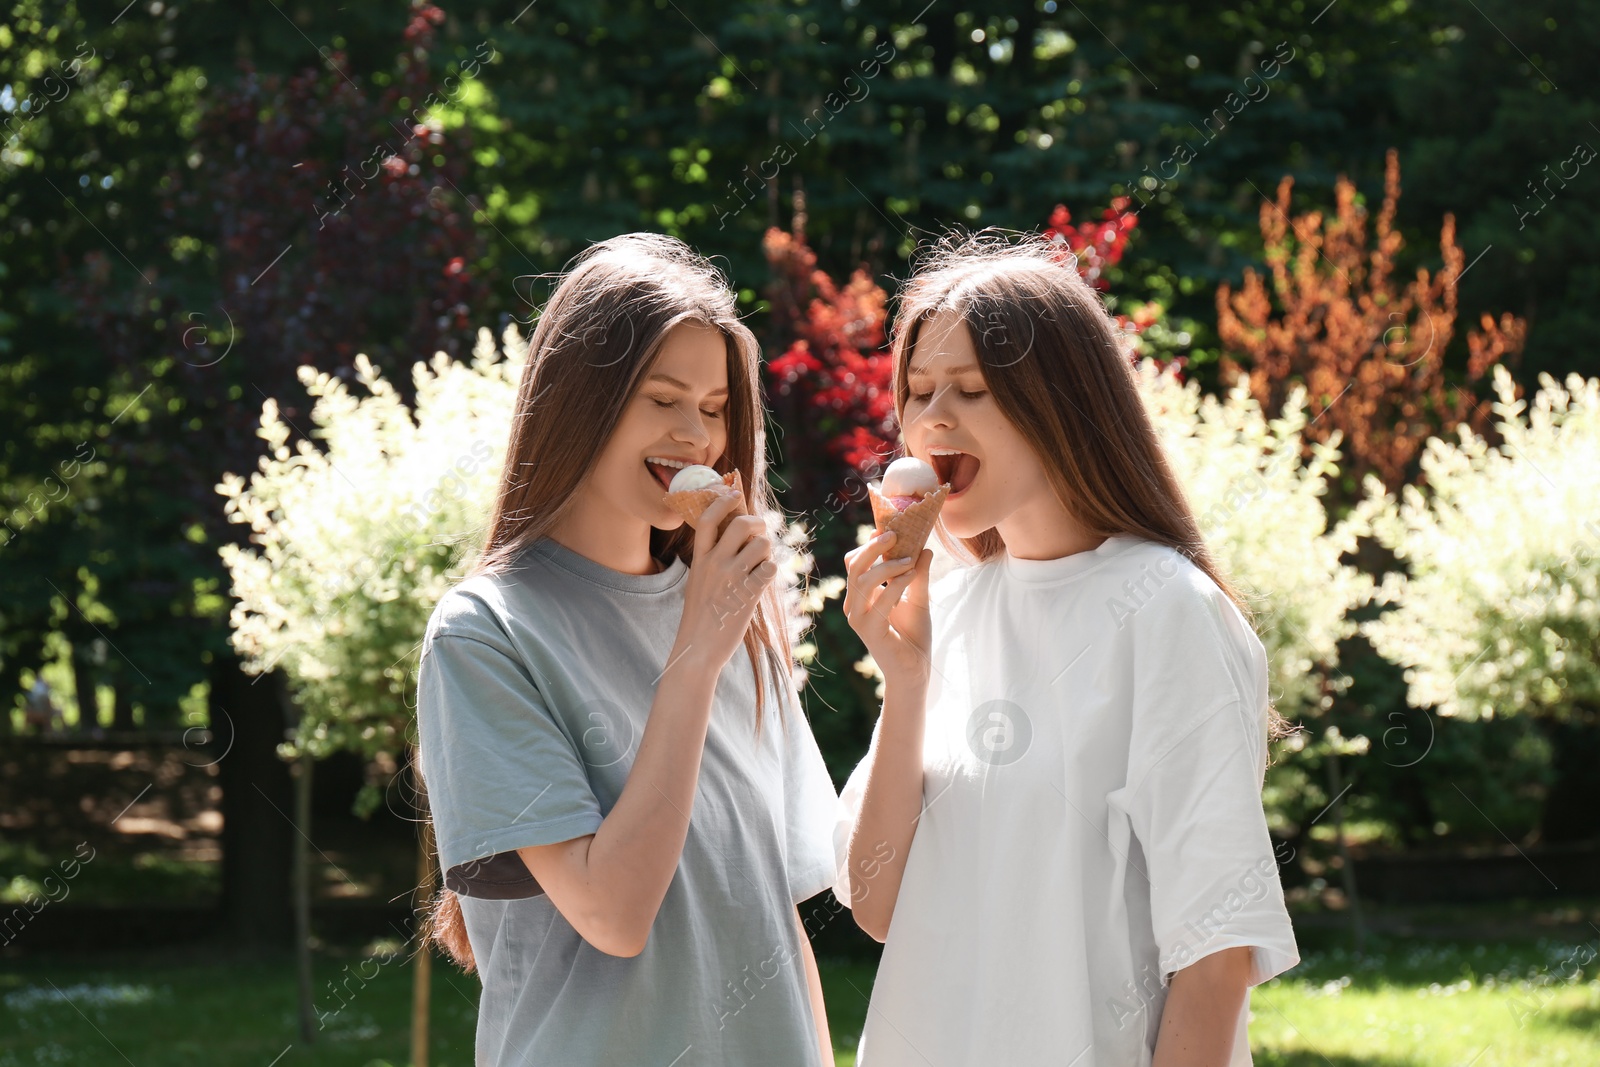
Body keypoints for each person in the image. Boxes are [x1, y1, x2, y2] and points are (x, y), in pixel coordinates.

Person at [833, 231, 1301, 1066]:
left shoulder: (1167, 612)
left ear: (1063, 402)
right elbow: (875, 904)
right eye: (918, 390)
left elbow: (1218, 949)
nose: (933, 416)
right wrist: (904, 684)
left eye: (972, 390)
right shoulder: (948, 604)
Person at [416, 233, 840, 1066]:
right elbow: (613, 911)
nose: (696, 436)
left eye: (715, 409)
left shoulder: (730, 616)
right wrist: (694, 657)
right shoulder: (485, 632)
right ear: (580, 401)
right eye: (662, 398)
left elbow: (773, 919)